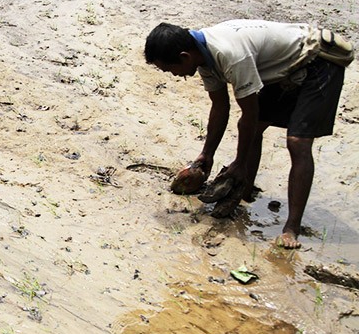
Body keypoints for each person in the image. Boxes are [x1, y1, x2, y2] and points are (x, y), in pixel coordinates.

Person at [144, 19, 350, 249]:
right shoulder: (202, 58)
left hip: (319, 60)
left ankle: (292, 227)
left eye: (169, 69)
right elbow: (220, 107)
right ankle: (243, 189)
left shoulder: (230, 54)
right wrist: (206, 154)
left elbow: (248, 115)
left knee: (297, 141)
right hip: (282, 65)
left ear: (184, 57)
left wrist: (239, 162)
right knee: (259, 125)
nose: (172, 75)